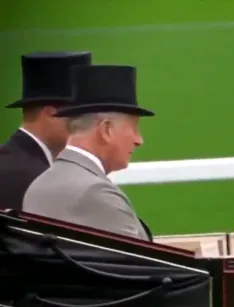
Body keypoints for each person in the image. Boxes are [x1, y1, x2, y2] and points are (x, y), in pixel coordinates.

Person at [23, 65, 155, 241]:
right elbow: (140, 266)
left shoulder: (38, 186)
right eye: (134, 127)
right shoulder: (97, 193)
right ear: (106, 129)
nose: (139, 140)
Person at [0, 52, 92, 210]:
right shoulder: (39, 179)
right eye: (80, 115)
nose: (87, 125)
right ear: (51, 113)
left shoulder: (13, 161)